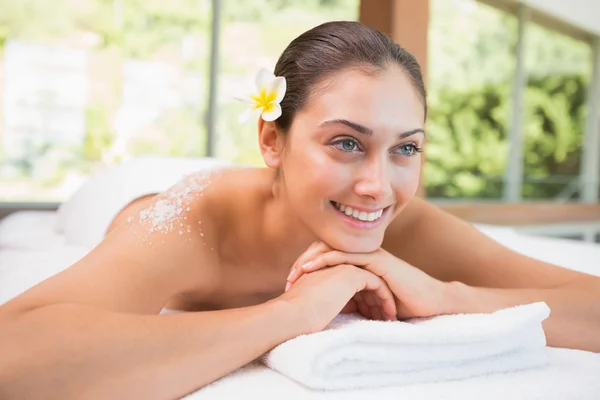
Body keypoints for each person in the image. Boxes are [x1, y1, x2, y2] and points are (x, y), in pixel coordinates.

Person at [0, 20, 599, 399]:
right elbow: (16, 357)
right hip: (124, 189)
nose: (377, 185)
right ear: (271, 139)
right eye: (347, 142)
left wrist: (447, 296)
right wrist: (291, 312)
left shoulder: (398, 216)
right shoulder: (189, 225)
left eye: (405, 148)